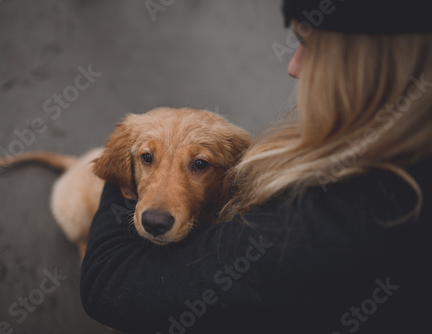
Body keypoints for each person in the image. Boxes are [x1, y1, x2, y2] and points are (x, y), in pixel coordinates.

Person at [80, 0, 432, 333]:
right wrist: (130, 152)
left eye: (308, 43)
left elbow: (107, 283)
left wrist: (138, 147)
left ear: (376, 63)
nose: (293, 66)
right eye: (146, 159)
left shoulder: (339, 218)